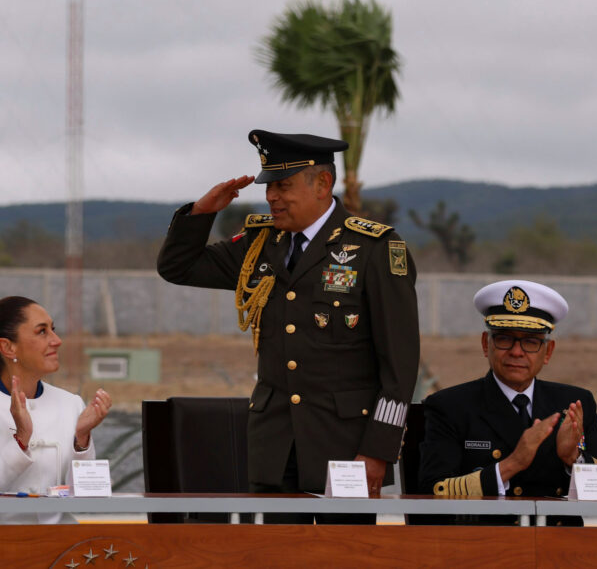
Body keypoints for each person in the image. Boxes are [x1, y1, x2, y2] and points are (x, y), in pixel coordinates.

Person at [157, 130, 420, 510]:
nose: (271, 197)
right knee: (273, 557)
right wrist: (201, 213)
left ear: (323, 184)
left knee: (341, 557)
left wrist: (378, 451)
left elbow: (399, 365)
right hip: (274, 446)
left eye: (283, 185)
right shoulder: (260, 244)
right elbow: (177, 267)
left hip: (345, 449)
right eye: (268, 187)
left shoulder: (374, 249)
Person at [419, 279, 597, 516]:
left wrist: (575, 458)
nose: (517, 351)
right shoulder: (451, 406)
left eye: (530, 342)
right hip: (483, 543)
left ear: (547, 352)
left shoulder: (573, 404)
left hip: (559, 543)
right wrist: (512, 464)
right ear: (485, 345)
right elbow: (430, 492)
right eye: (504, 338)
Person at [0, 296, 112, 524]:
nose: (57, 340)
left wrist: (81, 441)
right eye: (42, 332)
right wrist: (20, 440)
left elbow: (88, 503)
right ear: (7, 346)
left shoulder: (71, 403)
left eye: (53, 329)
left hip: (62, 545)